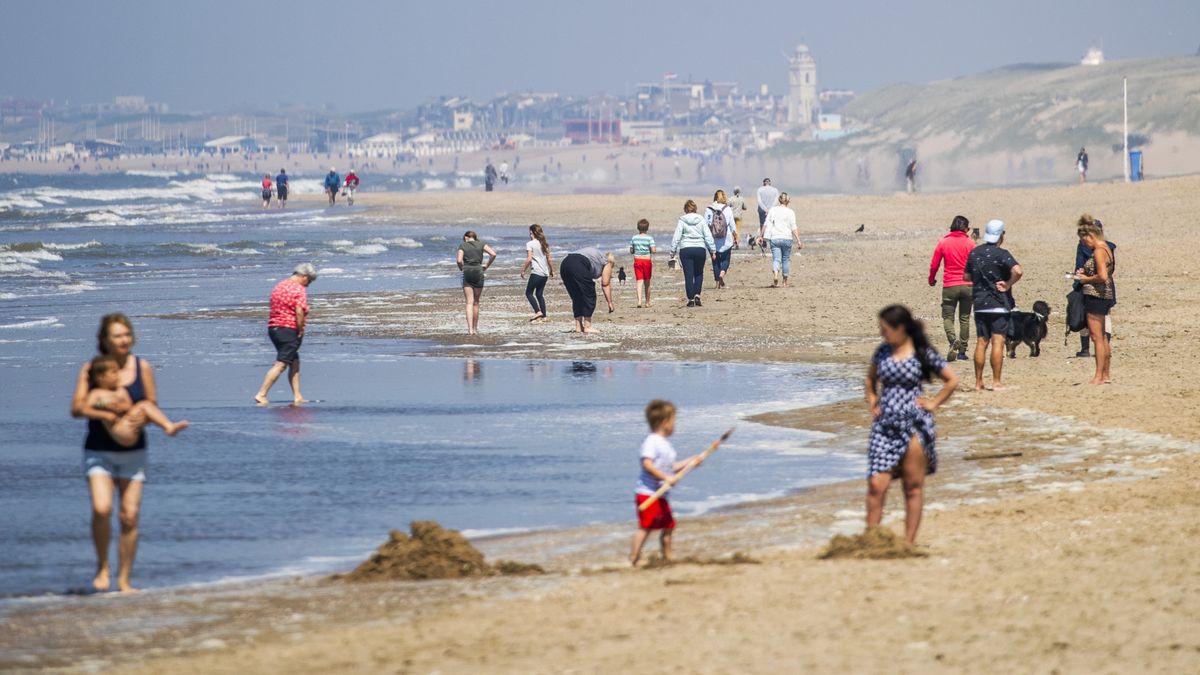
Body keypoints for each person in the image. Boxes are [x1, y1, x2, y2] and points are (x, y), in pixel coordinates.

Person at [70, 314, 160, 592]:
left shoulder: (141, 366)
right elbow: (76, 408)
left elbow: (152, 404)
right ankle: (102, 568)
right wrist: (107, 413)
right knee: (102, 508)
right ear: (105, 340)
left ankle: (124, 579)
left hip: (134, 453)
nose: (124, 340)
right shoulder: (92, 369)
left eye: (127, 334)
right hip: (98, 451)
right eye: (118, 336)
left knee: (129, 516)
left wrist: (138, 416)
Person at [865, 305, 959, 545]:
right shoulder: (882, 352)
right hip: (885, 424)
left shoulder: (922, 353)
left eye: (886, 329)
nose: (882, 334)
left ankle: (908, 542)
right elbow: (870, 378)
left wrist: (933, 403)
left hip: (915, 423)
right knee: (877, 484)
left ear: (901, 328)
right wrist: (873, 400)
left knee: (912, 486)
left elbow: (951, 380)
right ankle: (871, 539)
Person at [630, 399, 706, 566]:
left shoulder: (666, 445)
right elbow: (647, 464)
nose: (675, 425)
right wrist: (666, 478)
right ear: (665, 422)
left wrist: (691, 462)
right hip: (647, 493)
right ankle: (634, 558)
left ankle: (667, 555)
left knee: (669, 524)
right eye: (673, 421)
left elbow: (671, 467)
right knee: (646, 527)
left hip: (661, 494)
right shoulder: (651, 441)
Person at [964, 219, 1022, 391]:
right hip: (998, 302)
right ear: (1001, 235)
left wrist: (980, 279)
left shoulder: (974, 253)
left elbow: (966, 277)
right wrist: (1008, 283)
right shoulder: (1002, 254)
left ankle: (978, 382)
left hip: (980, 303)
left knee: (981, 342)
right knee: (998, 342)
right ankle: (996, 382)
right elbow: (1018, 271)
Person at [83, 355, 188, 446]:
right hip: (120, 430)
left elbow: (127, 406)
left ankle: (168, 425)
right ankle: (168, 426)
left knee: (145, 405)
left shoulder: (119, 391)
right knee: (144, 405)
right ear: (101, 377)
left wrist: (122, 407)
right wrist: (103, 405)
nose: (118, 375)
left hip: (128, 425)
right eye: (113, 372)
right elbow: (86, 407)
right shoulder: (97, 393)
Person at [254, 264, 317, 405]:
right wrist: (300, 329)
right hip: (288, 329)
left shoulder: (279, 286)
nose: (308, 285)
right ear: (304, 277)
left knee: (294, 361)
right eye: (309, 281)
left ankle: (297, 396)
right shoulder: (298, 289)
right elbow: (299, 311)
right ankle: (261, 394)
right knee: (282, 363)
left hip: (274, 328)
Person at [1074, 215, 1115, 384]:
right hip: (1105, 295)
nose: (1084, 244)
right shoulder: (1106, 248)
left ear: (1091, 236)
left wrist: (1084, 279)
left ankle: (1098, 375)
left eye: (1085, 241)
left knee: (1097, 337)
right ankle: (1105, 374)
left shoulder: (1098, 250)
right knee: (1103, 337)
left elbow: (1102, 276)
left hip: (1096, 295)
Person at [928, 215, 975, 360]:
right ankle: (962, 352)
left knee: (948, 317)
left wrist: (931, 279)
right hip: (968, 285)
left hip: (950, 285)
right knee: (965, 318)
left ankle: (953, 340)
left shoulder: (943, 242)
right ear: (965, 228)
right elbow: (976, 265)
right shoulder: (971, 243)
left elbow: (934, 264)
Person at [671, 200, 717, 307]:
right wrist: (712, 250)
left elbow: (676, 237)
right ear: (695, 208)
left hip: (686, 249)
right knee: (699, 273)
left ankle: (691, 299)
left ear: (685, 209)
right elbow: (708, 236)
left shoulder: (682, 220)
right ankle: (697, 295)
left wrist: (672, 251)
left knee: (688, 275)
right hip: (700, 249)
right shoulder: (701, 220)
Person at [559, 246, 615, 333]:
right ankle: (587, 326)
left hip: (565, 263)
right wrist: (610, 302)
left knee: (576, 296)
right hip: (578, 264)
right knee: (590, 293)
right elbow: (605, 283)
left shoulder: (596, 257)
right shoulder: (607, 262)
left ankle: (578, 326)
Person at [457, 231, 498, 336]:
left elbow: (459, 260)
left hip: (467, 272)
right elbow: (493, 254)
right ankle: (475, 328)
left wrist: (462, 268)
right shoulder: (481, 244)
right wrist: (486, 266)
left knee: (469, 302)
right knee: (476, 302)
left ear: (466, 237)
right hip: (479, 271)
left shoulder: (463, 245)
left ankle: (470, 329)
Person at [758, 192, 803, 287]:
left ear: (779, 200)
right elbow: (793, 227)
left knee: (776, 259)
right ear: (788, 201)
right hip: (787, 238)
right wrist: (798, 240)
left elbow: (765, 224)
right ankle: (785, 282)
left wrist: (761, 236)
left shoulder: (773, 210)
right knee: (785, 259)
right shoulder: (791, 212)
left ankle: (775, 275)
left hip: (775, 238)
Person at [520, 224, 553, 323]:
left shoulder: (530, 244)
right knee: (539, 294)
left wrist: (523, 270)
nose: (529, 235)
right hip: (545, 273)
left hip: (536, 272)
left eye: (530, 233)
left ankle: (538, 311)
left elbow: (529, 259)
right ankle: (544, 316)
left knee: (529, 293)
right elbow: (549, 259)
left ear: (533, 233)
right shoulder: (544, 244)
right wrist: (552, 270)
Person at [706, 190, 737, 289]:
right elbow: (732, 225)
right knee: (726, 260)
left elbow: (706, 225)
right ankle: (721, 275)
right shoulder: (727, 209)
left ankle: (717, 284)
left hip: (713, 240)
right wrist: (735, 237)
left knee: (715, 262)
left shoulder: (709, 209)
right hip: (726, 240)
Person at [629, 218, 656, 308]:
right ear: (647, 228)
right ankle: (647, 302)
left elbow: (631, 250)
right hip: (646, 260)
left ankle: (639, 301)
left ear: (638, 228)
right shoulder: (649, 238)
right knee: (647, 282)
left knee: (639, 281)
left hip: (637, 260)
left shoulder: (634, 238)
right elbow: (653, 250)